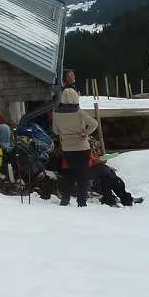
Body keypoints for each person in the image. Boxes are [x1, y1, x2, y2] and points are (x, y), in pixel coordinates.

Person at [52, 70, 99, 207]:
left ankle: (65, 200)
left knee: (71, 175)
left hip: (67, 149)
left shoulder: (56, 113)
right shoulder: (78, 112)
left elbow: (55, 131)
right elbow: (94, 124)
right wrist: (85, 132)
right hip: (82, 147)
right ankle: (81, 203)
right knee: (83, 176)